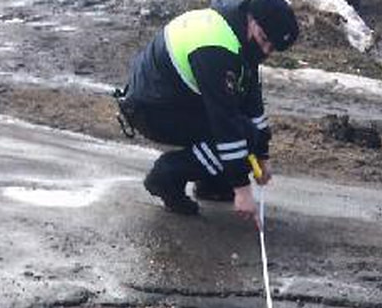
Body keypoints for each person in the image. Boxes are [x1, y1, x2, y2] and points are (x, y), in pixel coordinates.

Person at [117, 0, 299, 222]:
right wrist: (242, 189)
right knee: (240, 135)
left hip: (174, 101)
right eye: (264, 40)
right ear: (252, 19)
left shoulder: (238, 32)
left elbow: (250, 97)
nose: (265, 50)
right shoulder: (216, 49)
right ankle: (167, 176)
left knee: (248, 135)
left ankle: (212, 184)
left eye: (272, 48)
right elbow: (224, 121)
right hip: (151, 111)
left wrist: (262, 156)